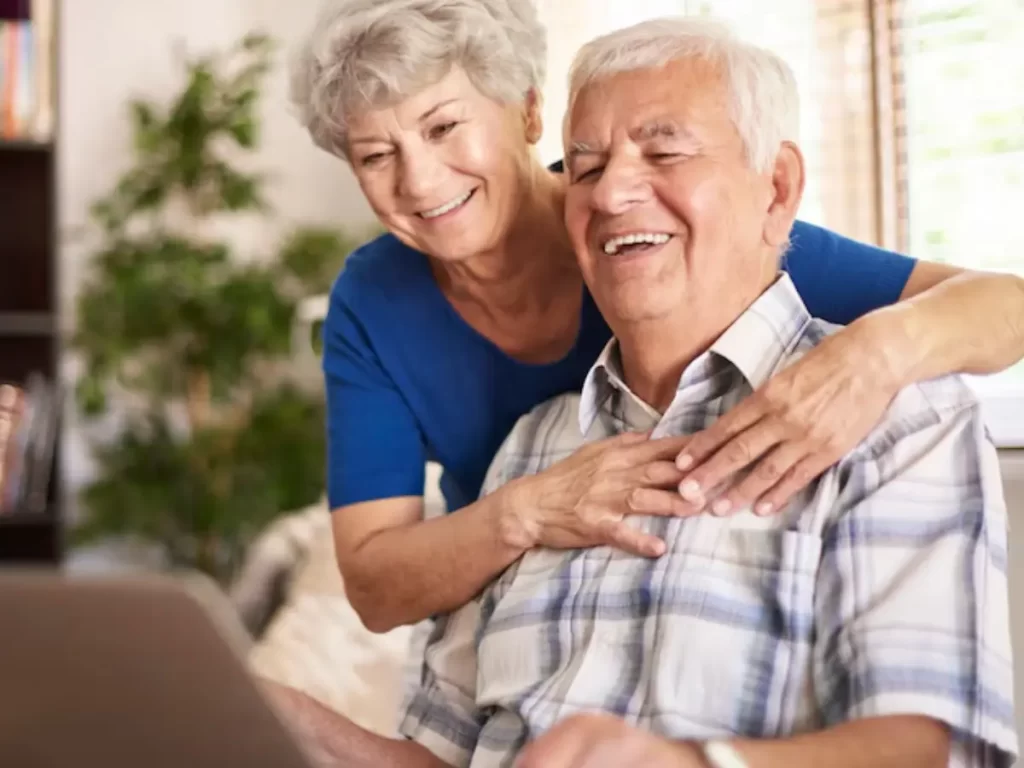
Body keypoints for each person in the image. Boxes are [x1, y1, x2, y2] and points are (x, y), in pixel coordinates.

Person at [268, 17, 1016, 767]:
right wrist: (285, 721)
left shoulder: (894, 418)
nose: (421, 180)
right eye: (588, 166)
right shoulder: (521, 441)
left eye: (444, 127)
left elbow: (925, 749)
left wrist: (878, 355)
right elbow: (402, 651)